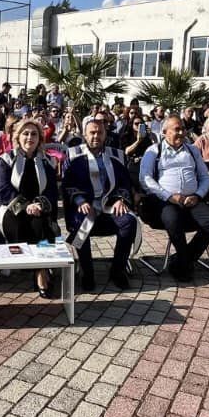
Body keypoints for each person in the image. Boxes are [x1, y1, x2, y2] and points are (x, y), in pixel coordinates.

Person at [140, 116, 209, 281]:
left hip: (192, 200)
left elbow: (205, 177)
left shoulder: (192, 150)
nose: (182, 133)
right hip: (165, 202)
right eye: (177, 129)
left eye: (183, 129)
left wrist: (197, 195)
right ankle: (184, 265)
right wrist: (169, 196)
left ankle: (182, 259)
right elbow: (145, 178)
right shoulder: (154, 151)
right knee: (173, 219)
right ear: (164, 132)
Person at [64, 119, 136, 292]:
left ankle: (117, 270)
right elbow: (67, 184)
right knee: (81, 222)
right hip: (86, 207)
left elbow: (125, 183)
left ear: (105, 135)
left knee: (129, 222)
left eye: (100, 132)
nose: (96, 136)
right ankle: (87, 273)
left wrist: (121, 199)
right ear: (84, 134)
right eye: (92, 132)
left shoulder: (116, 155)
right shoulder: (73, 155)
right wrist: (79, 200)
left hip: (109, 206)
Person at [0, 120, 61, 295]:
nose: (30, 137)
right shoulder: (6, 159)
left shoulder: (47, 161)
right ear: (18, 137)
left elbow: (52, 190)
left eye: (34, 134)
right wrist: (26, 205)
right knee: (24, 225)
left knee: (41, 224)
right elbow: (4, 190)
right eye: (26, 133)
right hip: (11, 208)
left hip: (38, 207)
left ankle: (40, 271)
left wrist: (40, 204)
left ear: (40, 139)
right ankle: (41, 271)